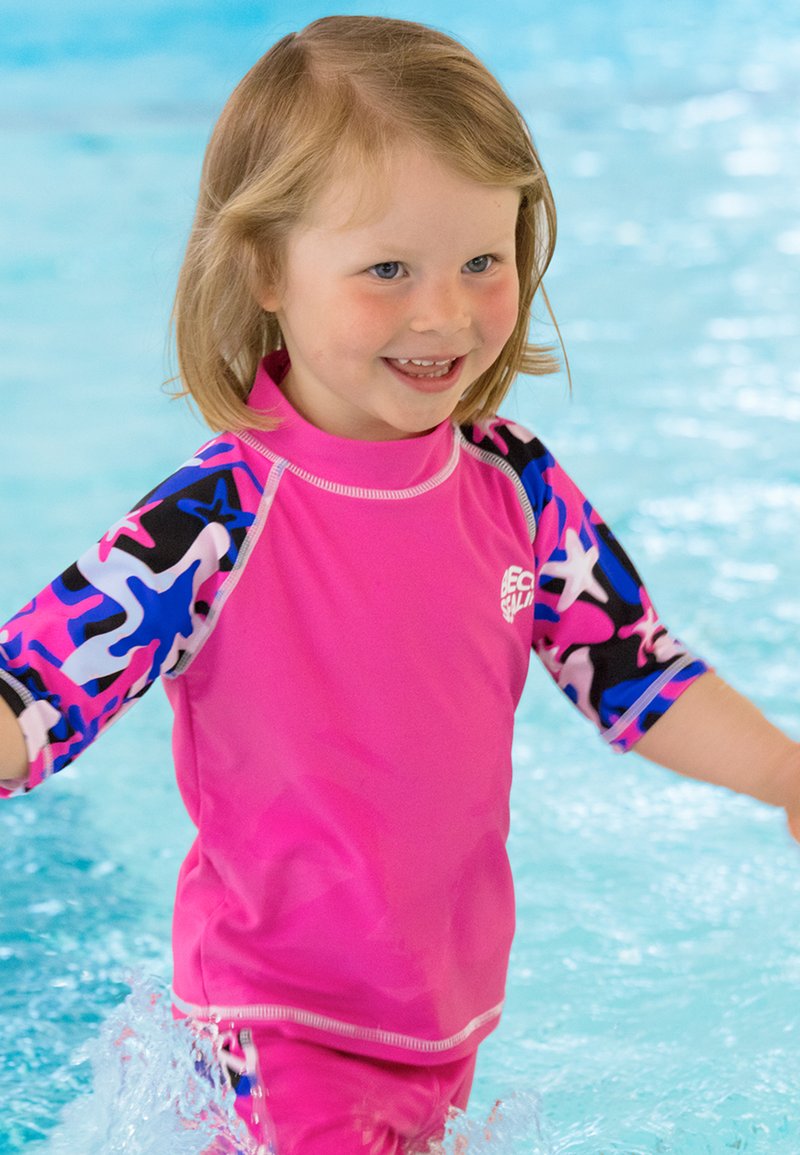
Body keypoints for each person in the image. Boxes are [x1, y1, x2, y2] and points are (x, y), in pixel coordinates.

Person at [0, 14, 797, 1154]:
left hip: (438, 1016)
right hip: (277, 1022)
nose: (442, 314)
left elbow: (627, 667)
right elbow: (37, 687)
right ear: (265, 268)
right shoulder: (217, 518)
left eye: (482, 261)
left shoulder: (512, 486)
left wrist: (782, 772)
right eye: (386, 270)